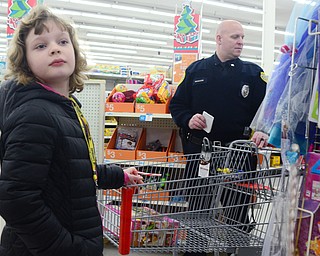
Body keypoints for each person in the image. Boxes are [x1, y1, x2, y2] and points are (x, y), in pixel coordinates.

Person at [0, 6, 143, 256]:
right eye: (40, 45)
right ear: (25, 62)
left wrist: (118, 176)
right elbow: (16, 200)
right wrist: (67, 248)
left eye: (62, 41)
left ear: (74, 52)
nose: (55, 48)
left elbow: (71, 170)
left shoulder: (64, 107)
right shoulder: (35, 115)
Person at [169, 20, 269, 256]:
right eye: (235, 37)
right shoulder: (196, 71)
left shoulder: (253, 74)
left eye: (243, 37)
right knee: (198, 207)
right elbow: (178, 105)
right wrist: (188, 118)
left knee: (238, 208)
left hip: (238, 154)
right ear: (219, 39)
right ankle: (197, 252)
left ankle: (236, 251)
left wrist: (264, 129)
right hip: (201, 152)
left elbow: (266, 111)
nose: (241, 42)